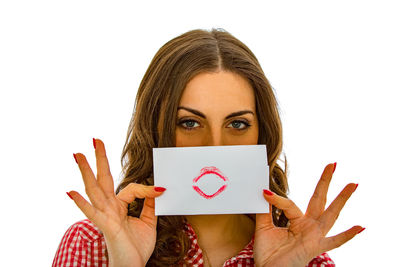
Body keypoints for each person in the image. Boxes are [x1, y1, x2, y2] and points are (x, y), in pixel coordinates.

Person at [52, 29, 364, 267]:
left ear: (262, 134)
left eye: (237, 124)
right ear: (154, 129)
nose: (215, 147)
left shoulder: (303, 255)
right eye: (189, 123)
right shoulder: (92, 243)